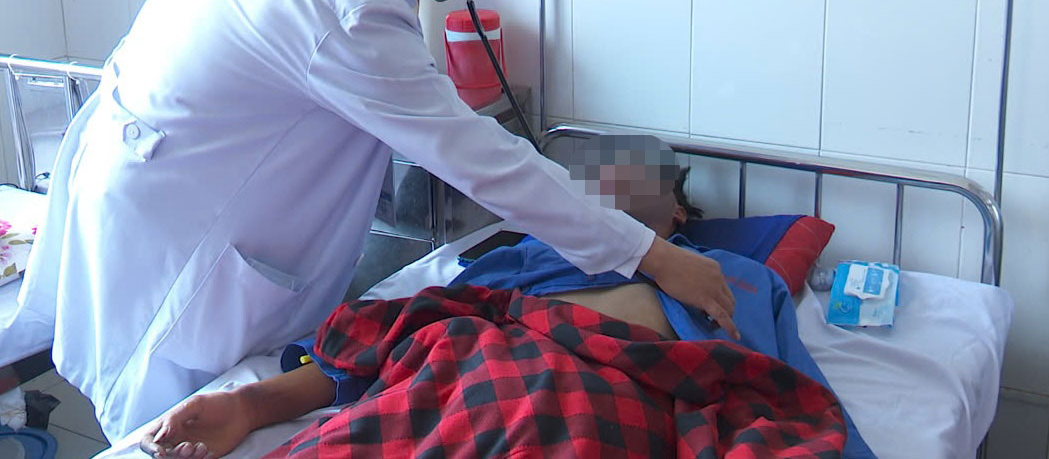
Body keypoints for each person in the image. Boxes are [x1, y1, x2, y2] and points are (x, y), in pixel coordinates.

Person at [9, 0, 737, 440]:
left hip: (158, 189)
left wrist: (640, 244)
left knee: (196, 416)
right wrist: (654, 255)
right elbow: (476, 155)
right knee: (173, 424)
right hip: (182, 247)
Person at [137, 135, 873, 458]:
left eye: (633, 177)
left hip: (604, 401)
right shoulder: (518, 261)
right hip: (467, 377)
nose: (604, 185)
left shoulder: (733, 277)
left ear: (676, 213)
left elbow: (786, 394)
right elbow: (392, 350)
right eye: (585, 177)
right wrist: (252, 404)